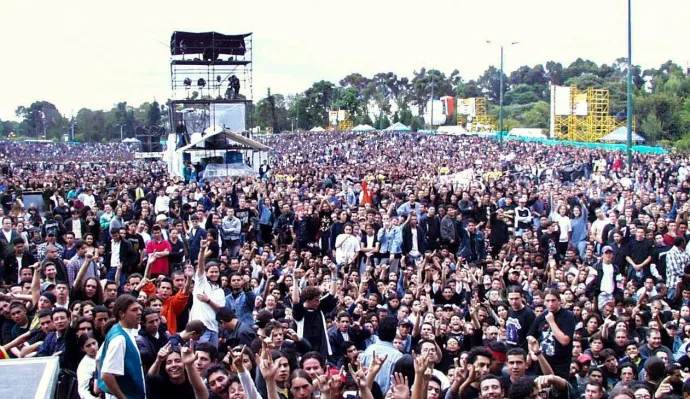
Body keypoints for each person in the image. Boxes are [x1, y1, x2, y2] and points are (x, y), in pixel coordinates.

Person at [97, 295, 146, 399]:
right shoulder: (119, 339)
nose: (139, 313)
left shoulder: (122, 330)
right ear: (121, 314)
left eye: (139, 309)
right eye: (134, 310)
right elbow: (106, 375)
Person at [527, 287, 575, 380]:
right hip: (541, 362)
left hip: (560, 365)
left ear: (559, 301)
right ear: (544, 302)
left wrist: (552, 322)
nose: (550, 304)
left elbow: (564, 341)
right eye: (547, 301)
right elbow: (530, 336)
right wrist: (532, 353)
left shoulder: (567, 316)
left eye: (553, 300)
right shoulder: (541, 317)